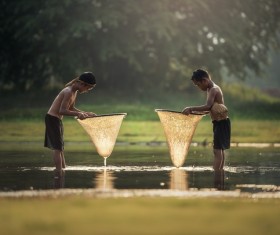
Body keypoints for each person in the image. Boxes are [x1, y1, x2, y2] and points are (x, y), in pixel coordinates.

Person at [44, 72, 97, 171]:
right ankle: (59, 171)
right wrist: (78, 114)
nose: (87, 91)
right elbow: (62, 110)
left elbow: (71, 108)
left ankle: (63, 169)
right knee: (57, 148)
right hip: (52, 119)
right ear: (82, 84)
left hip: (57, 120)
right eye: (87, 88)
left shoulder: (74, 92)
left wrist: (86, 113)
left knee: (60, 148)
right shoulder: (68, 91)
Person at [182, 69, 231, 170]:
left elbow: (208, 106)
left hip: (221, 123)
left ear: (204, 80)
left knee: (217, 150)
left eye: (198, 85)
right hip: (219, 123)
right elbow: (210, 109)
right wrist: (194, 113)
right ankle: (219, 173)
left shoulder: (213, 89)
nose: (199, 88)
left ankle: (217, 173)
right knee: (219, 150)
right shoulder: (210, 89)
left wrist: (191, 108)